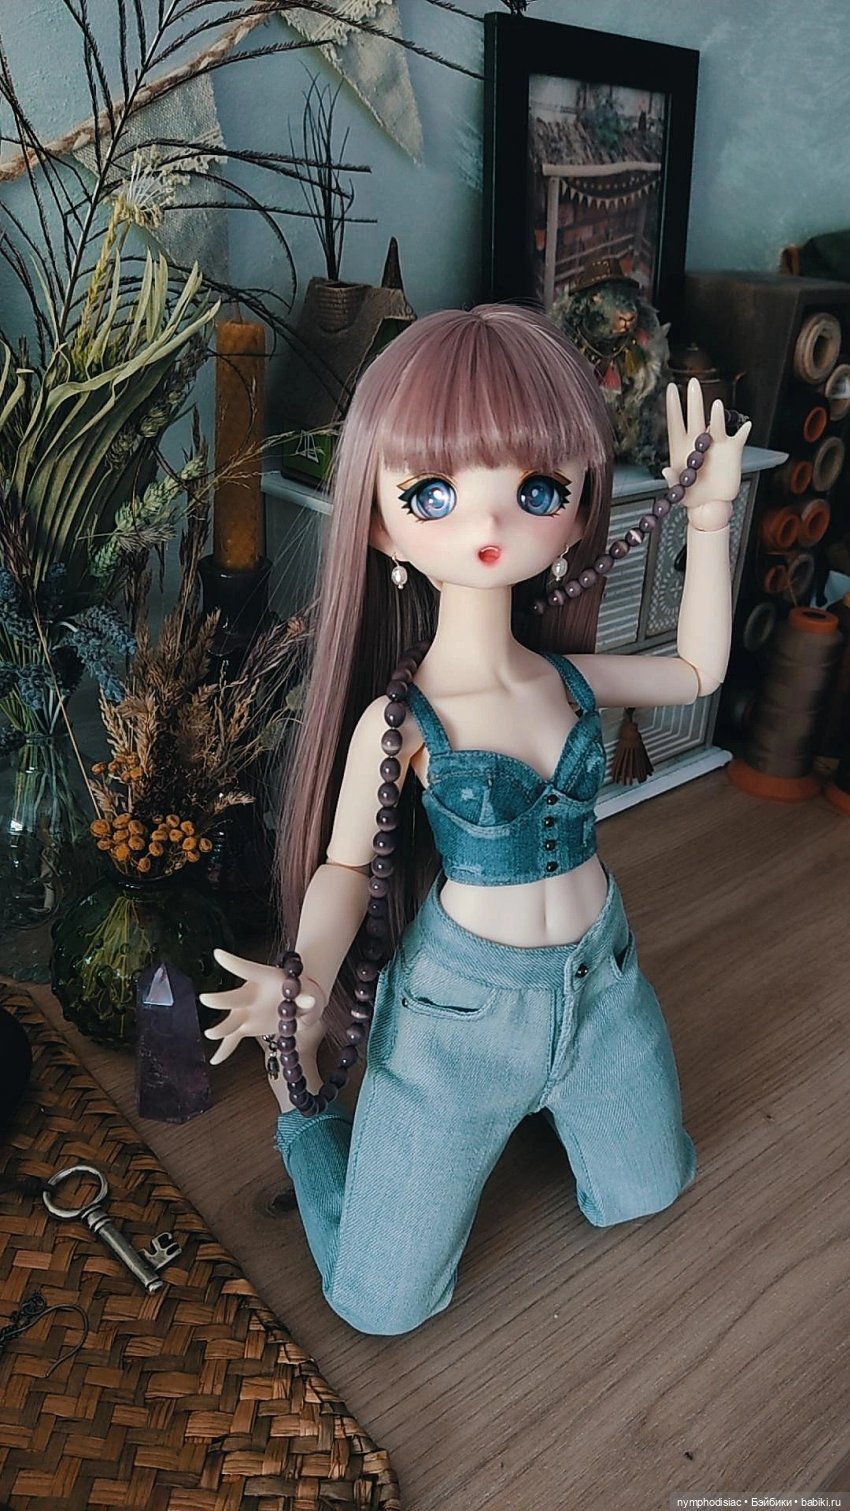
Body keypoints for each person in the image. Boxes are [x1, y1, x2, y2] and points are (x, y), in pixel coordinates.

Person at [201, 304, 751, 1336]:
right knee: (378, 1304)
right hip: (461, 1018)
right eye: (434, 494)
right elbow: (343, 867)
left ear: (576, 507)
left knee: (650, 1185)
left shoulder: (568, 678)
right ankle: (301, 1115)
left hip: (602, 980)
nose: (489, 524)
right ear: (380, 521)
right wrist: (302, 974)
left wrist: (711, 518)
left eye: (536, 489)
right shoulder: (401, 719)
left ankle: (557, 1096)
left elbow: (696, 669)